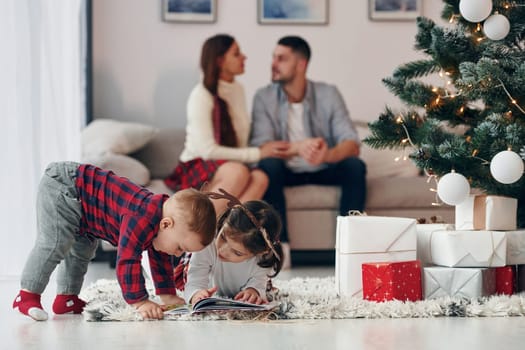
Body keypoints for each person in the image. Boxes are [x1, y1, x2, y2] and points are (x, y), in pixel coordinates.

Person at [12, 161, 217, 321]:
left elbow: (160, 257)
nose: (178, 254)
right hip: (66, 186)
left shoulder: (161, 225)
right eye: (180, 247)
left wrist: (168, 294)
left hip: (87, 216)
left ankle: (66, 298)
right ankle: (27, 295)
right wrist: (140, 301)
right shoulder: (141, 217)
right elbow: (127, 259)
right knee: (55, 243)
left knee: (81, 252)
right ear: (166, 224)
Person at [250, 36, 367, 266]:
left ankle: (350, 247)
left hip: (323, 167)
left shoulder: (328, 94)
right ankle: (278, 248)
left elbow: (352, 143)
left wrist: (327, 155)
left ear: (301, 64)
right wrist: (298, 148)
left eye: (281, 58)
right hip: (285, 170)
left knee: (355, 166)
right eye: (273, 57)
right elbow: (261, 147)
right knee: (268, 166)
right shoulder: (263, 97)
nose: (274, 63)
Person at [164, 34, 289, 215]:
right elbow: (207, 150)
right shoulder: (201, 95)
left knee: (261, 177)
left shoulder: (238, 89)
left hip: (229, 166)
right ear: (220, 61)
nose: (244, 57)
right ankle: (200, 232)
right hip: (199, 166)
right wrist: (259, 153)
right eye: (237, 54)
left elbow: (241, 139)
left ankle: (228, 237)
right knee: (238, 172)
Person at [174, 189, 283, 305]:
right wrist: (196, 294)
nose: (222, 250)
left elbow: (258, 282)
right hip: (196, 270)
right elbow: (195, 279)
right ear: (224, 221)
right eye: (223, 238)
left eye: (237, 252)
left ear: (260, 252)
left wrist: (253, 291)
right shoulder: (208, 243)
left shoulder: (264, 259)